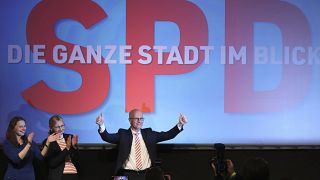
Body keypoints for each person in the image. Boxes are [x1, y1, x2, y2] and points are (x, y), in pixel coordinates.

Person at [96, 108, 187, 180]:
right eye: (136, 118)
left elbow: (167, 135)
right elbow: (107, 137)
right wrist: (101, 125)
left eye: (141, 118)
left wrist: (180, 124)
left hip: (147, 175)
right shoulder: (123, 134)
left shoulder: (150, 134)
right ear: (130, 120)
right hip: (127, 175)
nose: (139, 121)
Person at [43, 115, 80, 180]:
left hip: (73, 174)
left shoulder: (69, 137)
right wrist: (66, 149)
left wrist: (74, 147)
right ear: (51, 128)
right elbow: (52, 163)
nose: (60, 129)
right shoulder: (48, 141)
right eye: (57, 127)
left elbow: (77, 160)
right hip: (58, 176)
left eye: (62, 126)